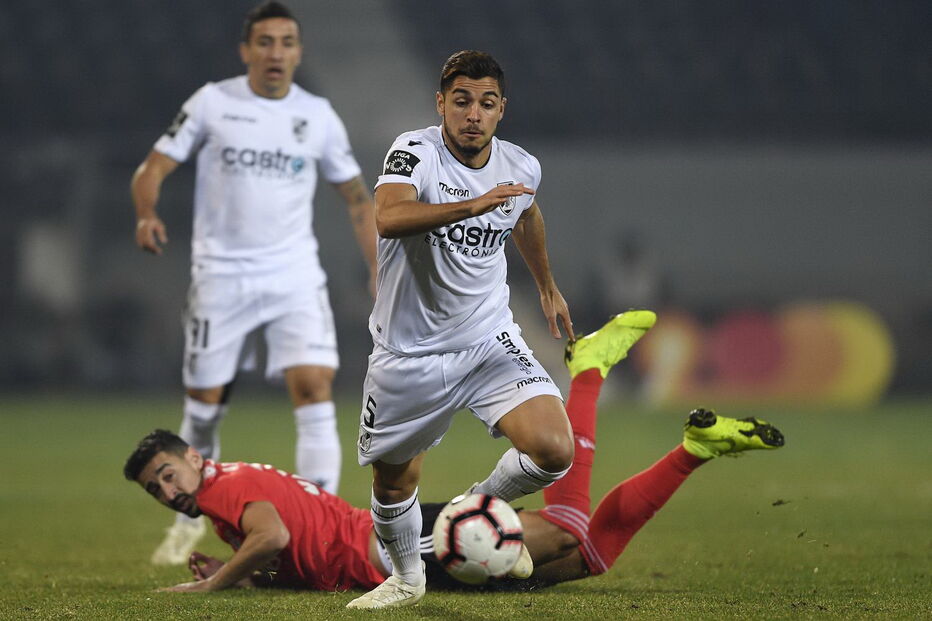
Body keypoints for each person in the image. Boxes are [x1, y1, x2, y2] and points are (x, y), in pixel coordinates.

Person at [124, 310, 786, 596]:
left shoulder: (217, 488)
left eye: (165, 474)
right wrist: (251, 570)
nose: (167, 490)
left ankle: (588, 371)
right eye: (156, 488)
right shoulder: (230, 480)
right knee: (584, 559)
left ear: (189, 455)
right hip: (378, 545)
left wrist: (216, 581)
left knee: (568, 535)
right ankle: (694, 450)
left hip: (388, 549)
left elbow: (270, 536)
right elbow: (288, 543)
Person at [129, 1, 377, 566]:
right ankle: (185, 525)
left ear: (298, 52)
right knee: (206, 407)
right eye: (264, 42)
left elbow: (359, 199)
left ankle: (321, 521)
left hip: (294, 274)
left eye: (286, 42)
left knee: (315, 389)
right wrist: (147, 212)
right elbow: (153, 168)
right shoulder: (214, 102)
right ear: (246, 51)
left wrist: (377, 267)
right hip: (221, 276)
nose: (275, 53)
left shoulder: (317, 115)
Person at [349, 49, 579, 609]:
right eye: (461, 101)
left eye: (486, 103)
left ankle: (472, 511)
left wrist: (547, 285)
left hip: (486, 338)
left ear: (501, 110)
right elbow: (390, 217)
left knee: (554, 449)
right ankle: (406, 578)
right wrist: (472, 205)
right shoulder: (414, 152)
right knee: (393, 485)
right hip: (409, 353)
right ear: (441, 104)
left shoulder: (521, 166)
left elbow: (524, 214)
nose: (473, 114)